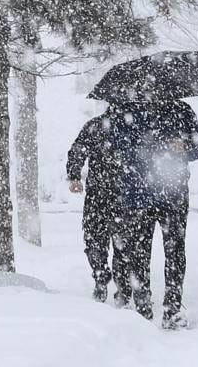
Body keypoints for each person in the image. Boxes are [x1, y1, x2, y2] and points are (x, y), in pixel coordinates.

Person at [109, 99, 198, 330]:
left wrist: (185, 146)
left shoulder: (182, 110)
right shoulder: (127, 111)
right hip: (139, 195)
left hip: (174, 195)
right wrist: (148, 146)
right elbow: (116, 147)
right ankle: (143, 309)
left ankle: (172, 309)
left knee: (175, 252)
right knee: (140, 253)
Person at [66, 107, 127, 304]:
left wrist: (75, 175)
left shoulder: (97, 125)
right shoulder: (122, 125)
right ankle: (116, 283)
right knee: (118, 243)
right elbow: (78, 150)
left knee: (97, 240)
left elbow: (77, 149)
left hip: (103, 194)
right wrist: (74, 175)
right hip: (118, 194)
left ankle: (107, 280)